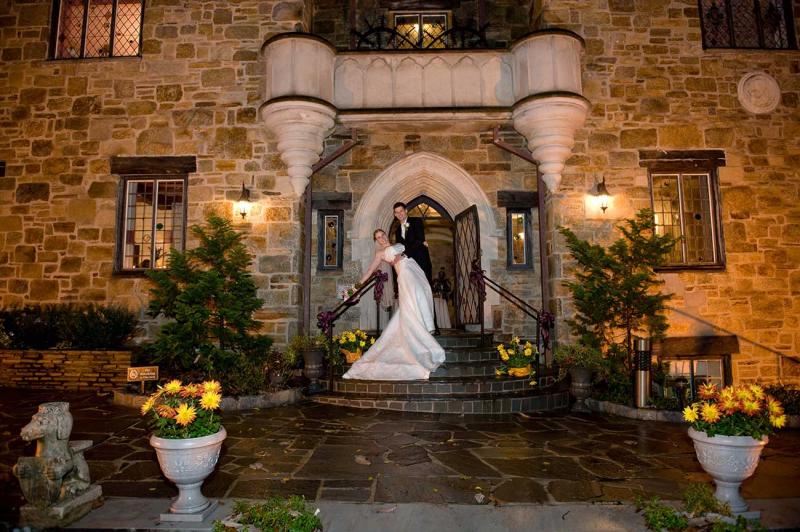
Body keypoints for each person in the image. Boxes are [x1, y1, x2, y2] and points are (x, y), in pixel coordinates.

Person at [342, 229, 445, 381]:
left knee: (423, 296)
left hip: (415, 271)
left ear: (386, 235)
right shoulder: (380, 254)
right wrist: (354, 289)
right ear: (376, 241)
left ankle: (423, 329)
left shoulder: (399, 243)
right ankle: (420, 337)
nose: (381, 239)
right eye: (378, 238)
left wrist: (423, 244)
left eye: (382, 235)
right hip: (405, 276)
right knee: (411, 305)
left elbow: (412, 250)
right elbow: (370, 271)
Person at [393, 202, 439, 334]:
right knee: (415, 294)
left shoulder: (416, 221)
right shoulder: (397, 230)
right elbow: (400, 246)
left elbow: (420, 240)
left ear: (406, 211)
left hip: (421, 262)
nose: (399, 214)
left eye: (401, 211)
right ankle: (418, 324)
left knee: (427, 291)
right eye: (397, 212)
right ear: (395, 215)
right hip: (409, 265)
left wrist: (405, 254)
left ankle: (433, 326)